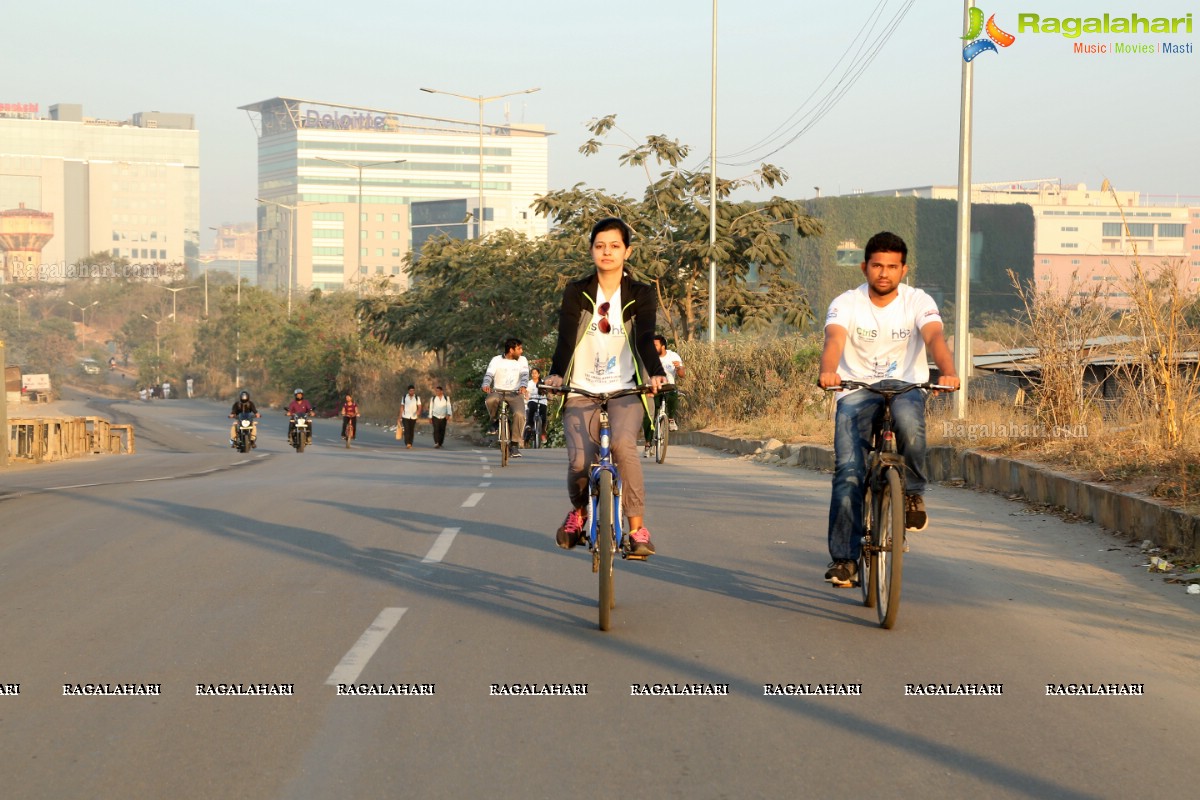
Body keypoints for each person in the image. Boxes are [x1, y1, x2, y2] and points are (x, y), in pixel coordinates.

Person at [817, 231, 960, 588]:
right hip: (855, 388)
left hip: (904, 387)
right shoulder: (846, 302)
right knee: (848, 472)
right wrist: (827, 370)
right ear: (865, 267)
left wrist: (949, 371)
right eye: (877, 266)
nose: (884, 273)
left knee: (910, 424)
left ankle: (911, 491)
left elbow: (934, 338)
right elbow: (834, 338)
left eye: (892, 267)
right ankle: (845, 561)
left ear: (903, 269)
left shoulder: (918, 300)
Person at [544, 217, 667, 557]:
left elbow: (645, 337)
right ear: (591, 251)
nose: (607, 252)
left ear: (627, 251)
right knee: (580, 462)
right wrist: (556, 375)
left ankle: (637, 530)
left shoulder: (640, 294)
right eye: (600, 246)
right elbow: (566, 337)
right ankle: (579, 515)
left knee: (625, 447)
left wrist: (655, 373)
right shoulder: (577, 291)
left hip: (625, 389)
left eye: (614, 246)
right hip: (581, 389)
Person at [482, 338, 528, 458]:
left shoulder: (522, 360)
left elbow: (524, 375)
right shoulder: (496, 360)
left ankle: (514, 444)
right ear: (511, 350)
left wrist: (523, 386)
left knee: (520, 415)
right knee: (489, 400)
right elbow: (489, 374)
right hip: (498, 391)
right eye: (519, 349)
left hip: (515, 393)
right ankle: (494, 422)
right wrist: (486, 384)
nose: (521, 351)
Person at [643, 334, 685, 456]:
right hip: (653, 388)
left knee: (673, 392)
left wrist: (678, 369)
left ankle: (671, 419)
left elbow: (682, 374)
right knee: (649, 415)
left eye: (655, 345)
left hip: (668, 386)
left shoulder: (673, 356)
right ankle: (647, 444)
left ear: (663, 346)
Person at [524, 367, 548, 446]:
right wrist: (527, 397)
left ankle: (543, 432)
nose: (534, 374)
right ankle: (529, 425)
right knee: (532, 408)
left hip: (542, 401)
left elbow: (548, 391)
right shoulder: (529, 383)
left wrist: (550, 397)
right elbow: (527, 392)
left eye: (535, 373)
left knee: (544, 416)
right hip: (532, 400)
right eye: (532, 373)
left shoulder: (543, 382)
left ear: (539, 374)